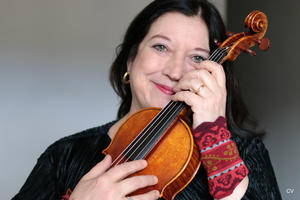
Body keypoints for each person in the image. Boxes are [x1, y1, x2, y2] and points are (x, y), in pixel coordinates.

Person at [13, 0, 282, 199]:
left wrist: (214, 133)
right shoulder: (64, 155)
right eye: (161, 47)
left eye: (198, 58)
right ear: (131, 58)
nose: (176, 72)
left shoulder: (246, 154)